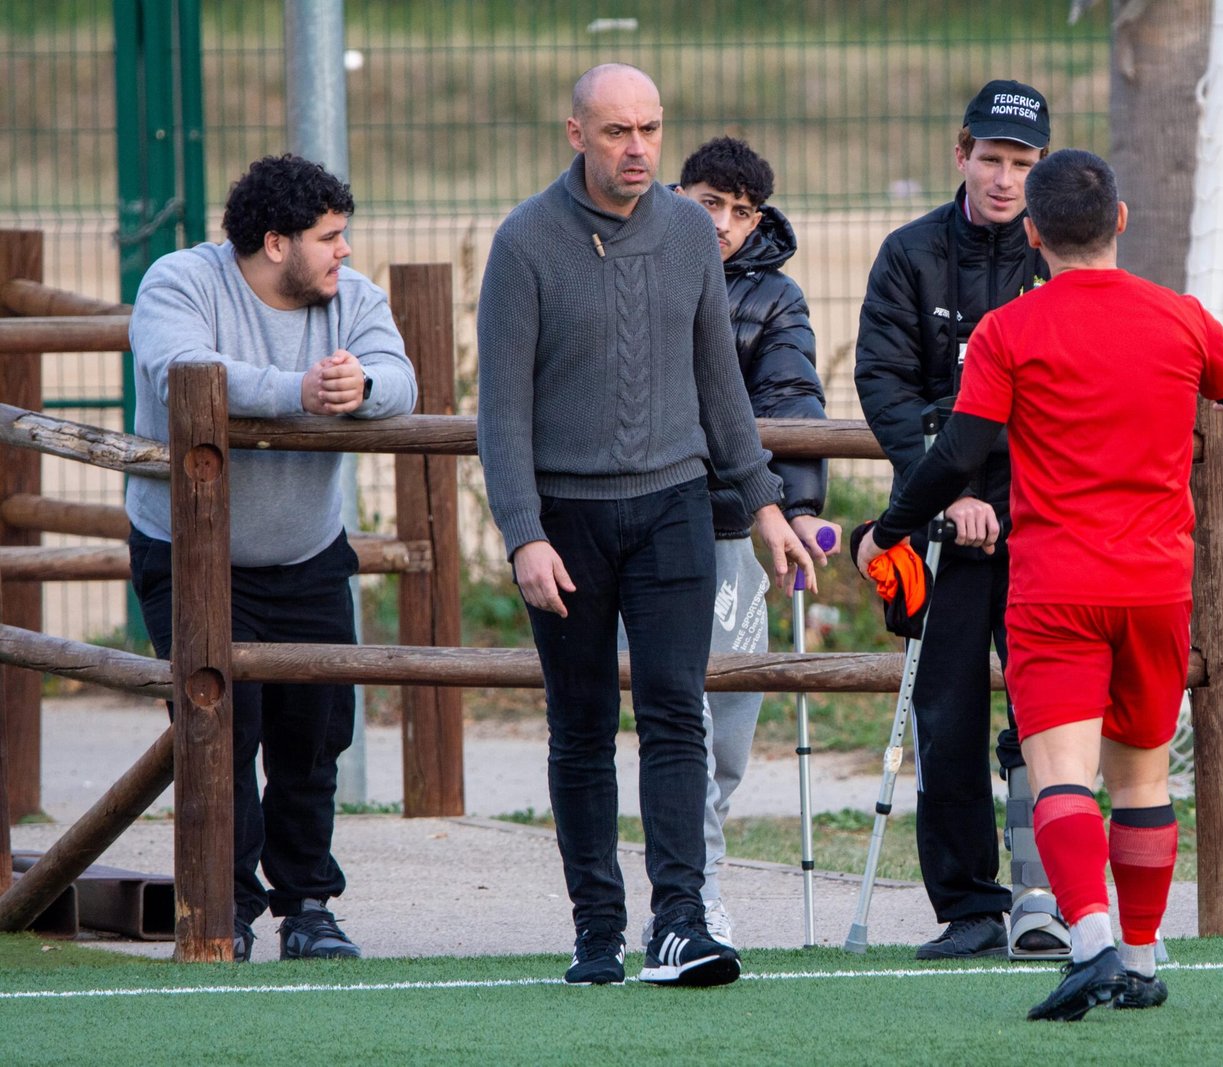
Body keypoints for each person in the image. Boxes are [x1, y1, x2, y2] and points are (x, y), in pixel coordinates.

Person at [853, 148, 1223, 1021]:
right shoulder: (1183, 318)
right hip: (1156, 584)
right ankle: (1142, 957)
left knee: (1061, 776)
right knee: (1143, 780)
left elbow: (957, 454)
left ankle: (1089, 941)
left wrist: (887, 530)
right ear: (1120, 220)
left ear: (1034, 235)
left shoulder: (1010, 330)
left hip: (1055, 585)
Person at [475, 64, 814, 988]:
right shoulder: (525, 242)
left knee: (675, 714)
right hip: (566, 524)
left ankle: (679, 922)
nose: (638, 148)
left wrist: (766, 505)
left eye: (651, 129)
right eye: (617, 131)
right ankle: (597, 929)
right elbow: (501, 413)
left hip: (674, 508)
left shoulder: (689, 234)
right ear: (576, 133)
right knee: (582, 725)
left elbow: (720, 386)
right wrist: (523, 533)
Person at [125, 153, 418, 963]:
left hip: (307, 553)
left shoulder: (353, 298)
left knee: (315, 734)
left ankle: (309, 905)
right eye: (330, 236)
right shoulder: (180, 282)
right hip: (192, 552)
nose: (345, 250)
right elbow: (181, 372)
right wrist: (299, 394)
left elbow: (401, 378)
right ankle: (225, 907)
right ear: (276, 242)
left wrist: (362, 387)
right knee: (221, 729)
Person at [853, 78, 1068, 960]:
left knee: (1047, 714)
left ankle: (1046, 897)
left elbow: (1069, 401)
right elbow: (884, 384)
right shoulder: (908, 253)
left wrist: (1008, 502)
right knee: (945, 719)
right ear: (961, 154)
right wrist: (948, 495)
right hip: (940, 527)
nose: (1005, 178)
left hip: (1039, 527)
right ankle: (971, 906)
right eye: (991, 159)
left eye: (1022, 163)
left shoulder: (1060, 259)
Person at [660, 136, 842, 947]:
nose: (724, 225)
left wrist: (798, 509)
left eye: (741, 212)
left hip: (733, 526)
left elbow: (793, 397)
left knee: (727, 727)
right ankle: (687, 894)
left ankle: (695, 878)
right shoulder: (639, 263)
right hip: (638, 524)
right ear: (679, 196)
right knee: (672, 720)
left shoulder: (775, 296)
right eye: (710, 204)